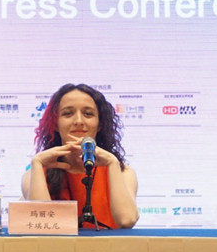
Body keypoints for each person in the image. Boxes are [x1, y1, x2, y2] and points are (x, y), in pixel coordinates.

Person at [21, 83, 139, 229]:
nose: (78, 121)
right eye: (67, 114)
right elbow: (42, 228)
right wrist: (37, 162)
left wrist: (112, 163)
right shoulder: (35, 173)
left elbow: (126, 220)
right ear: (56, 124)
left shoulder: (122, 171)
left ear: (100, 124)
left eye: (88, 114)